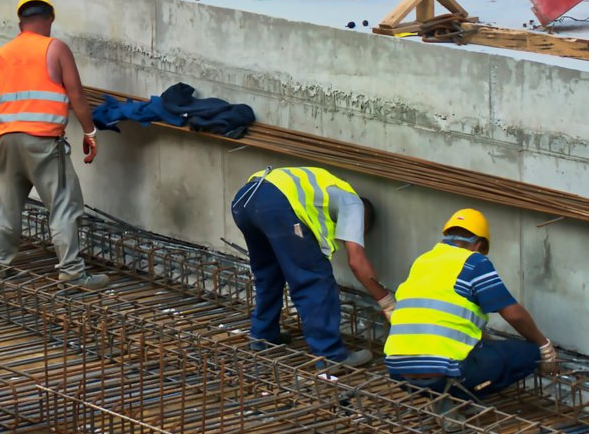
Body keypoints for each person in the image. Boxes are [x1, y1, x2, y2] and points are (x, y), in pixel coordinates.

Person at [0, 0, 108, 290]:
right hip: (42, 141)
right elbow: (76, 96)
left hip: (6, 139)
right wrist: (90, 132)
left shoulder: (2, 54)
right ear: (51, 17)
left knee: (7, 205)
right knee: (64, 205)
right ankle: (72, 274)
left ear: (19, 23)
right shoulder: (55, 48)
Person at [384, 208, 557, 400]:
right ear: (479, 245)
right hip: (447, 373)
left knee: (478, 351)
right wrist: (544, 346)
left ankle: (442, 399)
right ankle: (456, 396)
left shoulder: (423, 261)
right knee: (529, 353)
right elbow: (513, 314)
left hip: (398, 372)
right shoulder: (474, 262)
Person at [230, 166, 394, 366]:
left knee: (268, 273)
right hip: (277, 205)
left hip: (246, 200)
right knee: (315, 280)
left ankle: (262, 335)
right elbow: (356, 261)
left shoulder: (324, 189)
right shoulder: (353, 204)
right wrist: (386, 301)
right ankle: (331, 356)